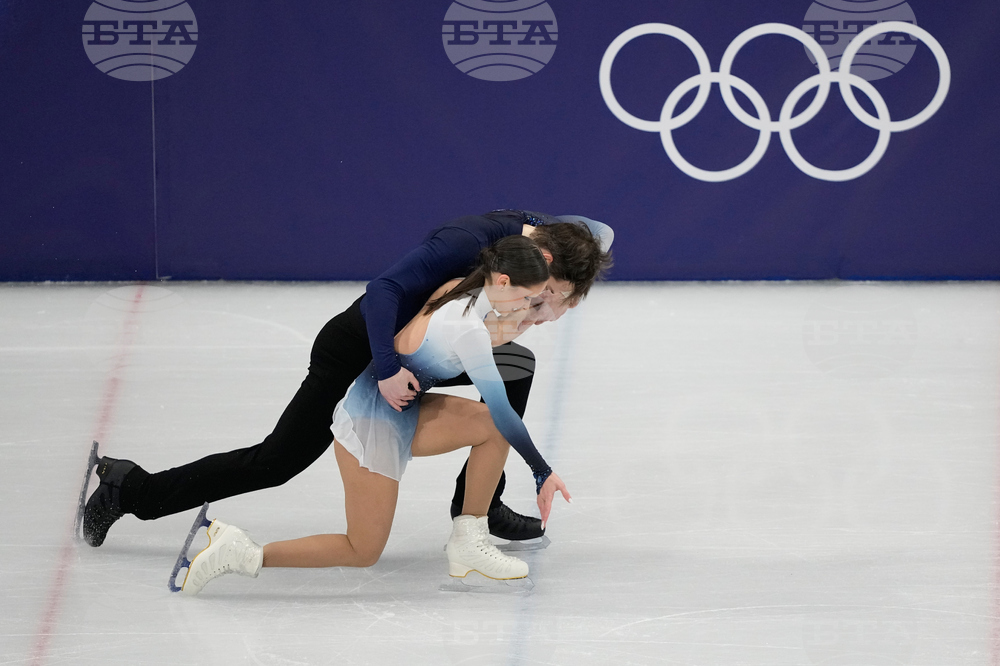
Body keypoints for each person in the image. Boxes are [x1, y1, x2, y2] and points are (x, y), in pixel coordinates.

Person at [82, 210, 613, 547]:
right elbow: (383, 289)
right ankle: (132, 489)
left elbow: (593, 232)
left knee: (518, 366)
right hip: (360, 350)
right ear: (542, 258)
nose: (544, 307)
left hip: (419, 354)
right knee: (276, 462)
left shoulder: (546, 235)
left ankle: (479, 503)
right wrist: (386, 370)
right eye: (547, 294)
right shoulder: (465, 241)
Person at [180, 236, 571, 594]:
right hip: (370, 424)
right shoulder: (467, 329)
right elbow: (502, 407)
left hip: (401, 408)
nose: (527, 307)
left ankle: (469, 541)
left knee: (490, 429)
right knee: (362, 550)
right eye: (526, 297)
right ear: (502, 281)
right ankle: (241, 552)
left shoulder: (460, 289)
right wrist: (542, 471)